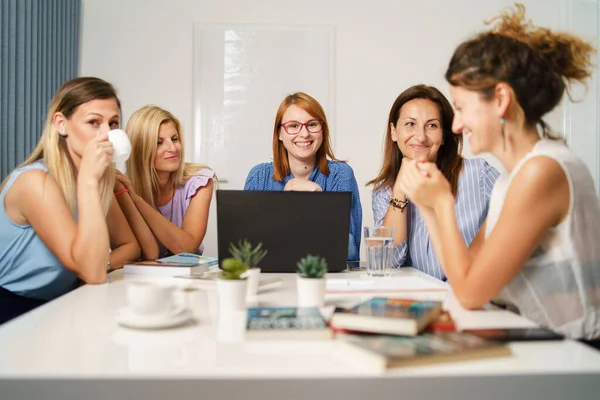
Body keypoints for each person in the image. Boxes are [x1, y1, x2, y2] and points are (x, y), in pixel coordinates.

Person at [399, 4, 600, 339]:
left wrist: (443, 203)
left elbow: (470, 293)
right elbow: (464, 271)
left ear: (501, 100)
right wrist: (426, 203)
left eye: (461, 108)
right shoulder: (513, 178)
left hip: (577, 352)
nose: (457, 125)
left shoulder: (542, 172)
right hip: (543, 340)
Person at [0, 77, 140, 324]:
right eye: (94, 122)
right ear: (61, 124)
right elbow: (93, 273)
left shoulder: (98, 181)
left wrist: (91, 263)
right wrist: (88, 181)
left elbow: (129, 246)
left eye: (113, 123)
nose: (106, 134)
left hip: (62, 300)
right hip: (12, 306)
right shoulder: (35, 181)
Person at [368, 84, 499, 280]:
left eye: (432, 125)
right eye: (410, 124)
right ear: (394, 132)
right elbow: (388, 263)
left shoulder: (479, 174)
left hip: (473, 295)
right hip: (419, 302)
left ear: (444, 135)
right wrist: (399, 190)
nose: (420, 136)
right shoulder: (384, 192)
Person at [244, 92, 362, 261]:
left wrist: (317, 201)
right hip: (272, 279)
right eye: (293, 126)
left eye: (312, 124)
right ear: (279, 133)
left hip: (325, 281)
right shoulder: (258, 176)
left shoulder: (341, 174)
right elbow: (246, 250)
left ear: (322, 130)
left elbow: (349, 252)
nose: (304, 134)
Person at [115, 105, 215, 259]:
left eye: (174, 139)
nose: (172, 148)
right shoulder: (124, 186)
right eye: (159, 142)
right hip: (142, 273)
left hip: (187, 274)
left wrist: (137, 200)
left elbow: (187, 248)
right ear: (140, 149)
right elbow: (141, 252)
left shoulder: (199, 181)